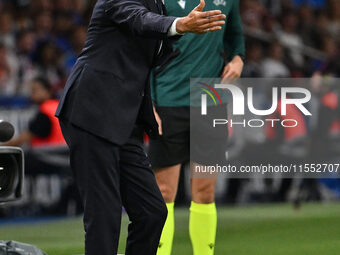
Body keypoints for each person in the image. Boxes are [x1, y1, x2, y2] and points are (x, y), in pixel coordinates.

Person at [55, 0, 226, 255]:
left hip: (125, 120)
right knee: (105, 214)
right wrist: (180, 24)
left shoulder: (158, 4)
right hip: (93, 110)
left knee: (152, 212)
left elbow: (152, 50)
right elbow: (141, 20)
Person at [149, 1, 245, 255]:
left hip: (210, 101)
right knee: (164, 191)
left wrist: (237, 60)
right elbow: (145, 46)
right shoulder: (161, 1)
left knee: (204, 191)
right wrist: (147, 101)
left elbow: (235, 37)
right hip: (168, 101)